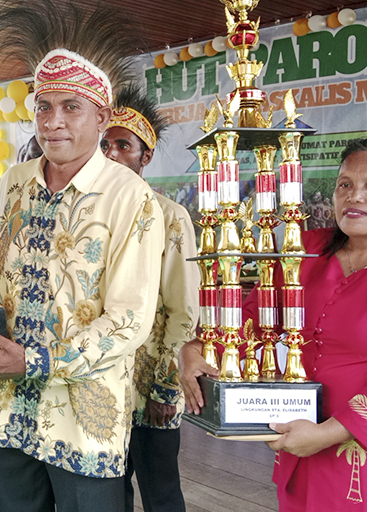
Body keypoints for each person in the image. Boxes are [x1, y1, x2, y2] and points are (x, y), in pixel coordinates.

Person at [0, 2, 163, 511]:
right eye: (43, 106)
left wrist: (39, 360)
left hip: (83, 416)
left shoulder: (130, 197)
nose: (53, 122)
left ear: (102, 115)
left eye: (71, 106)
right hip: (4, 404)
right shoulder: (12, 183)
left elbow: (130, 320)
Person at [181, 137, 367, 511]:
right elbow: (255, 318)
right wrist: (199, 348)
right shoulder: (307, 249)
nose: (354, 196)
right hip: (300, 435)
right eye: (344, 184)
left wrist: (327, 434)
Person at [101, 84, 199, 512]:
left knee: (160, 491)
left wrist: (164, 385)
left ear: (146, 156)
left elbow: (183, 308)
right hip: (100, 382)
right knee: (108, 490)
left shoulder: (170, 216)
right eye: (105, 143)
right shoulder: (91, 215)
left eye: (124, 145)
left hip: (149, 385)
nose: (111, 153)